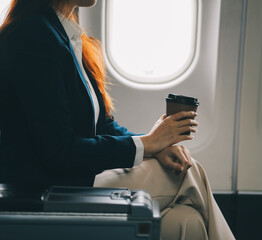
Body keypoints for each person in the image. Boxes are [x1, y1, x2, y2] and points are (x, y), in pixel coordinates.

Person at [0, 0, 235, 239]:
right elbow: (59, 150)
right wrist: (147, 144)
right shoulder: (32, 36)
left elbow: (103, 126)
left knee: (186, 221)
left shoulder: (63, 33)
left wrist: (154, 146)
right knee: (188, 170)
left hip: (75, 177)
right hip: (48, 188)